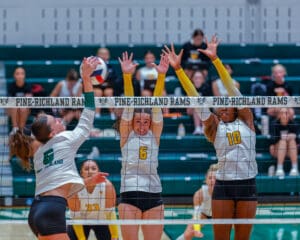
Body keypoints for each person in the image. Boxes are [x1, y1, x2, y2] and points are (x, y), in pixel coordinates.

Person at [164, 36, 258, 240]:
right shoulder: (215, 127)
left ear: (234, 106)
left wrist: (216, 60)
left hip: (247, 185)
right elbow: (196, 99)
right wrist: (178, 70)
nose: (223, 106)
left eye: (227, 103)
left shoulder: (247, 121)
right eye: (219, 104)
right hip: (224, 186)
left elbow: (233, 89)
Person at [9, 57, 108, 240]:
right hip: (52, 209)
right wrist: (86, 78)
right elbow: (88, 113)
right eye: (54, 120)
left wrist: (87, 182)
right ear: (53, 133)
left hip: (39, 210)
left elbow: (59, 183)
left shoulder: (39, 150)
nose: (58, 119)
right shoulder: (66, 139)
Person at [117, 51, 168, 240]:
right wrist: (127, 76)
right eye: (138, 121)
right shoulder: (126, 135)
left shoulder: (154, 136)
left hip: (154, 195)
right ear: (132, 122)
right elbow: (130, 105)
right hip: (129, 195)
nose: (141, 125)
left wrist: (161, 75)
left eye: (146, 122)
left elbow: (156, 106)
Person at [68, 159, 118, 240]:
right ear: (81, 173)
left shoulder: (107, 186)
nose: (90, 171)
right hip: (81, 221)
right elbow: (75, 217)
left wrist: (114, 236)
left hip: (102, 220)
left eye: (93, 168)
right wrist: (81, 238)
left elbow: (110, 214)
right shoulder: (74, 189)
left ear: (98, 172)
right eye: (86, 169)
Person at [177, 164, 218, 240]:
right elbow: (196, 214)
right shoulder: (200, 194)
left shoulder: (225, 193)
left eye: (215, 178)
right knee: (188, 234)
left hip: (219, 215)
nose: (212, 180)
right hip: (203, 214)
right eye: (210, 178)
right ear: (205, 180)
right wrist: (197, 229)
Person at [269, 108, 299, 177]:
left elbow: (298, 141)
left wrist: (294, 136)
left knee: (292, 141)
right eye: (282, 113)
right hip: (277, 151)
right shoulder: (274, 124)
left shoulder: (294, 124)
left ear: (289, 115)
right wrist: (283, 137)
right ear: (279, 115)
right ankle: (279, 169)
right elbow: (272, 140)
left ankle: (295, 168)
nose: (284, 115)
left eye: (286, 113)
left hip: (290, 152)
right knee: (283, 141)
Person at [7, 67, 32, 134]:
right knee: (14, 105)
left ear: (24, 75)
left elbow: (28, 100)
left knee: (23, 107)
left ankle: (21, 130)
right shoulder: (11, 86)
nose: (20, 76)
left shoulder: (28, 86)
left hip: (24, 109)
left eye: (22, 73)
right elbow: (10, 100)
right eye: (17, 74)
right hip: (13, 109)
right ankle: (15, 128)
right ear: (14, 76)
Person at [186, 70, 211, 135]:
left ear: (203, 79)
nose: (198, 80)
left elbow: (209, 105)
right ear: (192, 79)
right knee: (197, 105)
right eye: (196, 78)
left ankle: (203, 127)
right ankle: (197, 128)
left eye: (200, 78)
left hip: (205, 110)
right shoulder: (190, 89)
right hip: (192, 110)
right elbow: (188, 109)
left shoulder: (207, 88)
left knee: (202, 105)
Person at [95, 47, 118, 119]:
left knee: (109, 92)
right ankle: (97, 113)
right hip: (96, 87)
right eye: (101, 54)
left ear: (109, 56)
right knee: (98, 92)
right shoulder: (93, 67)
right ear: (97, 56)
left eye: (105, 54)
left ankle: (112, 113)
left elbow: (114, 80)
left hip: (108, 87)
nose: (104, 56)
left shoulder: (111, 67)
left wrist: (107, 84)